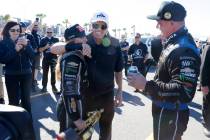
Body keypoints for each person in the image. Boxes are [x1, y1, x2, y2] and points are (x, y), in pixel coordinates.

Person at [128, 1, 200, 140]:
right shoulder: (174, 41)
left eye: (160, 22)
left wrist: (146, 86)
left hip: (171, 115)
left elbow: (185, 92)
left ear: (172, 23)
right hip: (165, 112)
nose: (157, 26)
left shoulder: (183, 48)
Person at [51, 11, 123, 140]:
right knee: (85, 134)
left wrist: (120, 92)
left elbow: (118, 70)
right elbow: (53, 49)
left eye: (103, 26)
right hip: (87, 97)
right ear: (91, 26)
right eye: (96, 25)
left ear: (107, 27)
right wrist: (77, 45)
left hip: (107, 96)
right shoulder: (84, 39)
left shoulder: (115, 43)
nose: (99, 29)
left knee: (106, 130)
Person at [0, 21, 35, 114]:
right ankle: (15, 125)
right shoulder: (3, 43)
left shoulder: (25, 40)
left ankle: (28, 124)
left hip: (26, 74)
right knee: (13, 102)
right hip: (11, 75)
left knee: (26, 101)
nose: (16, 32)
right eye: (13, 30)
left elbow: (33, 55)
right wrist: (15, 50)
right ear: (7, 31)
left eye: (18, 30)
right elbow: (3, 60)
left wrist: (26, 46)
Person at [39, 27, 59, 93]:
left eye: (50, 32)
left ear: (52, 32)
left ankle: (53, 86)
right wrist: (46, 47)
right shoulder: (43, 40)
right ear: (46, 32)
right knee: (45, 73)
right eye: (48, 32)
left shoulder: (56, 39)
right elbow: (39, 50)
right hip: (45, 59)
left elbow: (59, 50)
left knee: (53, 73)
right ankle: (44, 87)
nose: (49, 34)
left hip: (54, 59)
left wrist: (54, 47)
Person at [200, 36, 210, 137]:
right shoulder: (208, 48)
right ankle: (207, 125)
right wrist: (203, 84)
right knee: (207, 104)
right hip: (208, 83)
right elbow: (203, 67)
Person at [31, 21, 42, 92]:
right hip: (31, 54)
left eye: (37, 26)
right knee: (31, 68)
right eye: (34, 25)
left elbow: (40, 45)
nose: (35, 27)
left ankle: (34, 81)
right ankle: (31, 83)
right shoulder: (30, 34)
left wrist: (41, 53)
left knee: (36, 68)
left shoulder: (38, 35)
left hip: (38, 54)